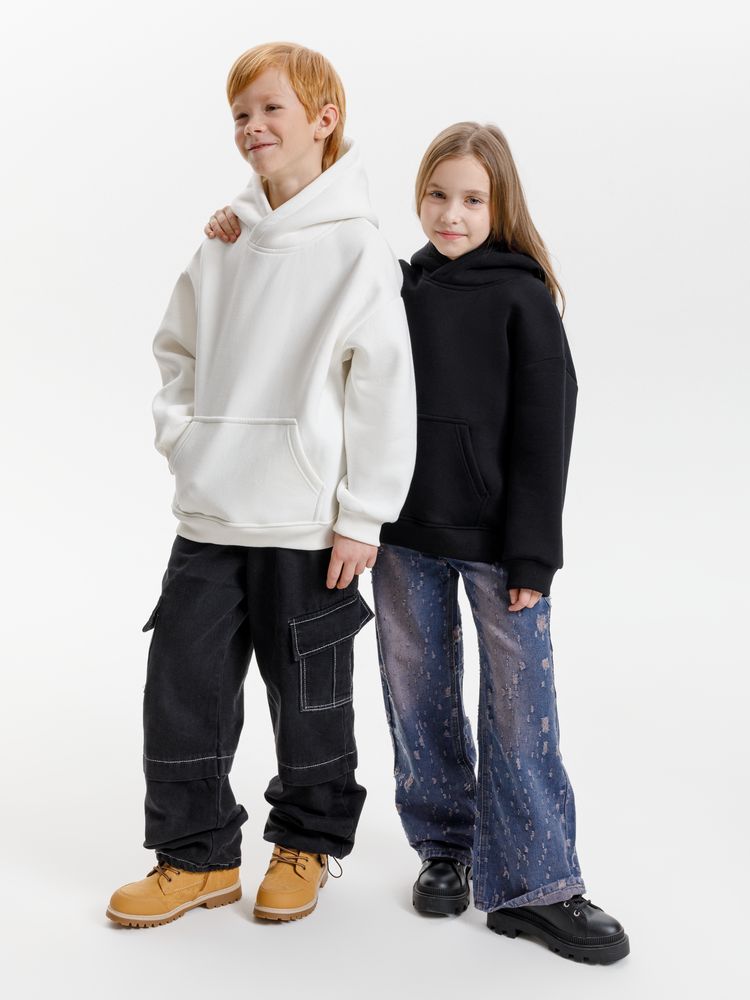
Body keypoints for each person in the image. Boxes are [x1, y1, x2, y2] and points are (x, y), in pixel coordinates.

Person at [205, 122, 629, 963]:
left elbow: (546, 434)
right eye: (437, 195)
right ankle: (444, 849)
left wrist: (534, 555)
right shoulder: (396, 285)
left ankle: (539, 886)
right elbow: (308, 280)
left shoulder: (523, 298)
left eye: (472, 199)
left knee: (520, 710)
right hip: (402, 537)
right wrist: (242, 223)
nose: (451, 214)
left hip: (499, 548)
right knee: (418, 696)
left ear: (501, 206)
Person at [105, 41, 416, 929]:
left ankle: (307, 844)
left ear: (324, 120)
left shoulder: (358, 250)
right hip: (211, 514)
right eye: (241, 114)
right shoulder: (225, 242)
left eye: (272, 108)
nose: (252, 127)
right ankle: (194, 857)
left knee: (310, 697)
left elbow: (384, 387)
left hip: (308, 525)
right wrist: (187, 439)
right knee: (182, 687)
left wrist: (364, 514)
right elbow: (176, 350)